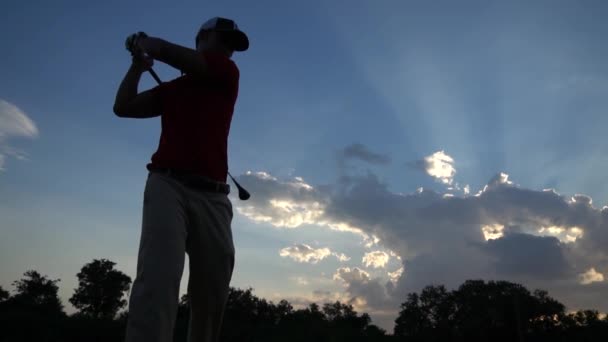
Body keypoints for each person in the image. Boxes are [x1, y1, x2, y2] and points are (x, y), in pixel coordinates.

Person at [113, 17, 249, 342]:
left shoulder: (228, 74)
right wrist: (138, 67)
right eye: (223, 40)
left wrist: (153, 46)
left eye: (233, 45)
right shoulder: (174, 89)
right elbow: (123, 107)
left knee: (212, 293)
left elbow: (176, 56)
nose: (229, 49)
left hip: (214, 196)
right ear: (202, 37)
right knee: (157, 281)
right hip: (166, 185)